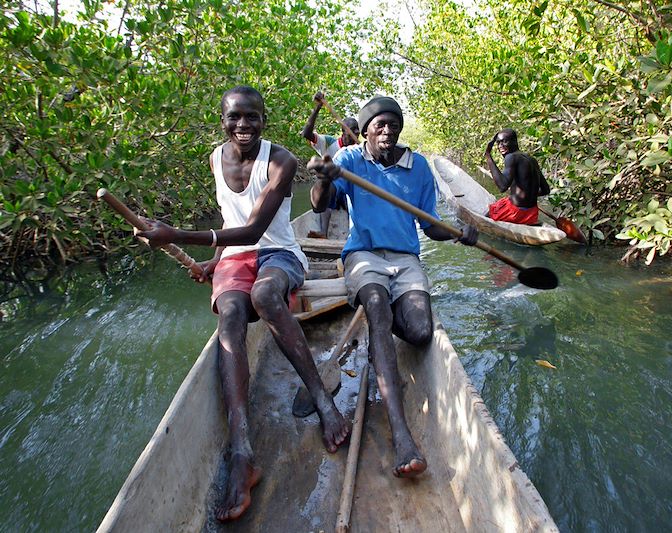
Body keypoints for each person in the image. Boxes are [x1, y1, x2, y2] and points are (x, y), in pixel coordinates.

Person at [136, 85, 351, 522]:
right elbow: (228, 222)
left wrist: (174, 234)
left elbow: (254, 231)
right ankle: (241, 450)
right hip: (234, 255)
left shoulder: (282, 161)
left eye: (252, 117)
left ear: (264, 120)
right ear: (222, 122)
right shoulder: (216, 159)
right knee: (230, 315)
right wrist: (212, 261)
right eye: (234, 117)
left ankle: (323, 401)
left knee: (266, 294)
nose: (243, 125)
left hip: (279, 254)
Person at [308, 95, 478, 478]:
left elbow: (431, 225)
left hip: (404, 260)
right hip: (364, 254)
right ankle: (401, 433)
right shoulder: (350, 159)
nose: (387, 131)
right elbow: (319, 206)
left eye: (393, 125)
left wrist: (459, 234)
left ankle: (379, 333)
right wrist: (322, 176)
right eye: (379, 125)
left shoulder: (417, 166)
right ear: (366, 130)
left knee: (419, 332)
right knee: (377, 303)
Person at [301, 91, 359, 238]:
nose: (355, 136)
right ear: (343, 132)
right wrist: (318, 108)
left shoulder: (359, 150)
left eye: (357, 133)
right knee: (325, 193)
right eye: (352, 132)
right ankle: (324, 233)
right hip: (331, 188)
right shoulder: (329, 142)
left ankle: (356, 234)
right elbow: (307, 133)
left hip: (349, 189)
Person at [484, 128, 550, 225]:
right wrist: (527, 195)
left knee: (486, 216)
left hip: (515, 213)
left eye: (504, 141)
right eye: (498, 143)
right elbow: (546, 190)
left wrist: (488, 156)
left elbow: (502, 187)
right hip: (532, 213)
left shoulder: (511, 157)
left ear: (514, 141)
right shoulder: (532, 159)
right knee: (504, 201)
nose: (500, 146)